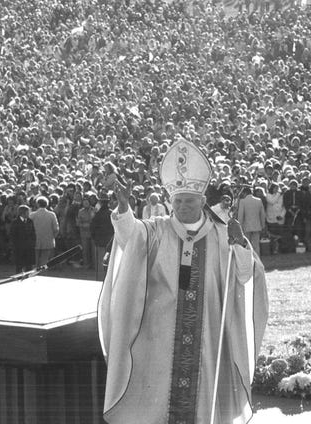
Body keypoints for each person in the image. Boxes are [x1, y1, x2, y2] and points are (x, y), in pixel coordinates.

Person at [98, 139, 268, 424]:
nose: (183, 206)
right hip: (160, 335)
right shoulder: (157, 230)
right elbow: (130, 238)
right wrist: (125, 210)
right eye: (177, 201)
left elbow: (247, 275)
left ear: (202, 201)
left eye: (189, 200)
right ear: (169, 201)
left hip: (207, 333)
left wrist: (240, 246)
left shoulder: (222, 233)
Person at [29, 196, 59, 267]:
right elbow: (56, 228)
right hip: (48, 239)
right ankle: (42, 273)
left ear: (37, 204)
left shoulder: (32, 215)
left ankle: (34, 271)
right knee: (45, 259)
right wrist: (53, 237)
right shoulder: (51, 215)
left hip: (35, 239)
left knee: (35, 258)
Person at [237, 186, 267, 256]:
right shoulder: (259, 200)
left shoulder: (243, 201)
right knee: (256, 245)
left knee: (247, 244)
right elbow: (262, 215)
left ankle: (249, 259)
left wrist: (239, 227)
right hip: (257, 226)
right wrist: (263, 225)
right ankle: (257, 260)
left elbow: (240, 215)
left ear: (245, 193)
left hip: (246, 226)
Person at [91, 191, 114, 280]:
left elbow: (92, 227)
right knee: (109, 262)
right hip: (110, 242)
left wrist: (94, 238)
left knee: (100, 262)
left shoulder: (97, 214)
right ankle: (108, 280)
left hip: (99, 242)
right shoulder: (112, 213)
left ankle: (100, 280)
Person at [9, 205, 36, 273]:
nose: (29, 214)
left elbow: (33, 233)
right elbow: (12, 235)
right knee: (19, 266)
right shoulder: (15, 222)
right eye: (27, 212)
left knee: (29, 266)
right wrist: (15, 245)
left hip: (29, 247)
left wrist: (32, 243)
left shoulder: (30, 221)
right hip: (19, 248)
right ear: (22, 213)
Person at [76, 197, 95, 268]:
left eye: (87, 202)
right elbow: (78, 223)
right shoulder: (80, 211)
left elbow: (95, 220)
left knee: (93, 250)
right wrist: (84, 225)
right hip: (84, 233)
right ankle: (86, 264)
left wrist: (90, 224)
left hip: (93, 233)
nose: (86, 204)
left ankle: (94, 265)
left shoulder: (94, 210)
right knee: (85, 250)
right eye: (84, 203)